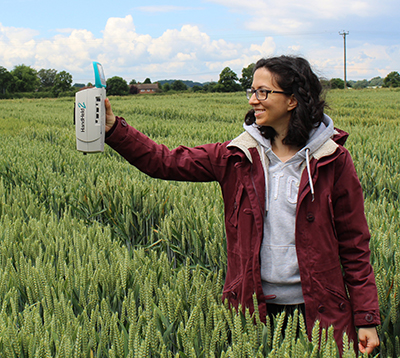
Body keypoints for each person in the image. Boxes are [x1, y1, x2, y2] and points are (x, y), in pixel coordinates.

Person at [103, 55, 380, 355]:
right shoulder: (235, 157)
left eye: (263, 92)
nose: (253, 100)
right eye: (251, 91)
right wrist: (113, 129)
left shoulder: (333, 160)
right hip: (252, 313)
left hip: (320, 312)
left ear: (292, 100)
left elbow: (355, 245)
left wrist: (366, 318)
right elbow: (165, 162)